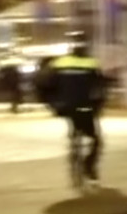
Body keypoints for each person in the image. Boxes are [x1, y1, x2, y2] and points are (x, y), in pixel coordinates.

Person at [39, 32, 108, 189]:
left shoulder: (59, 63)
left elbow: (43, 84)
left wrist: (52, 104)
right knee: (96, 140)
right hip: (86, 107)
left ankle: (74, 151)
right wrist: (99, 106)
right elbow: (100, 87)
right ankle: (89, 168)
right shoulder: (92, 63)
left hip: (66, 107)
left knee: (75, 129)